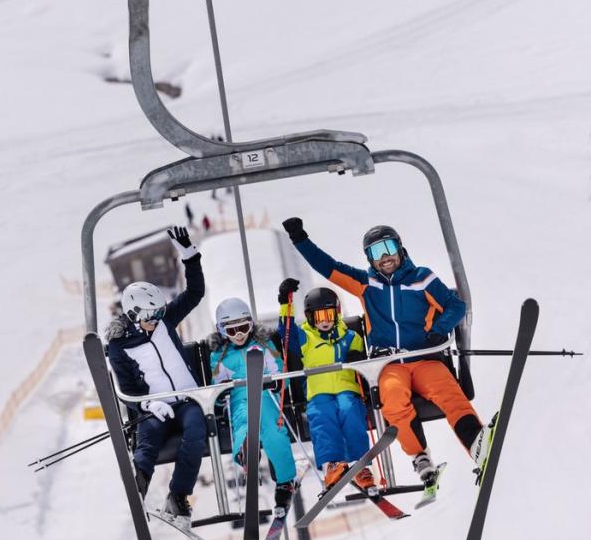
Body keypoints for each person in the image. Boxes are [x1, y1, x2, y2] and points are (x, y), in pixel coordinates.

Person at [281, 218, 493, 487]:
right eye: (375, 253)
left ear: (400, 248)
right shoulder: (367, 284)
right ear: (369, 259)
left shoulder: (422, 279)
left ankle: (478, 446)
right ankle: (421, 459)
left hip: (426, 358)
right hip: (390, 363)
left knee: (450, 394)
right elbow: (329, 267)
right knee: (392, 402)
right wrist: (300, 239)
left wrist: (440, 329)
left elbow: (456, 306)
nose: (384, 258)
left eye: (388, 248)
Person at [106, 226, 207, 520]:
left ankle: (177, 495)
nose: (157, 319)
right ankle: (139, 487)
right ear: (134, 315)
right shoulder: (120, 346)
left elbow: (195, 293)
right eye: (151, 316)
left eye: (160, 312)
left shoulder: (165, 323)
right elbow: (126, 390)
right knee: (147, 436)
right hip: (156, 407)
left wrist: (189, 256)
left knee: (197, 430)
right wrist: (149, 404)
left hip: (187, 400)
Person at [278, 279, 376, 492]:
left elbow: (363, 363)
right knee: (323, 417)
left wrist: (356, 357)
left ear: (336, 314)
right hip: (318, 390)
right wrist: (285, 302)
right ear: (311, 317)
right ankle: (331, 465)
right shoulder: (305, 337)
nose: (324, 321)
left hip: (346, 387)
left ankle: (360, 465)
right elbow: (285, 334)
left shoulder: (351, 337)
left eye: (328, 315)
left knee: (350, 411)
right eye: (318, 316)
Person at [208, 297, 298, 515]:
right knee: (243, 424)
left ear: (251, 324)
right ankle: (245, 452)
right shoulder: (219, 355)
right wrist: (222, 392)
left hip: (264, 392)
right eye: (232, 331)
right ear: (221, 331)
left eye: (243, 328)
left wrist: (276, 382)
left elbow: (279, 370)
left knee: (274, 433)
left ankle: (285, 482)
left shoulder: (264, 344)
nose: (239, 334)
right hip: (238, 398)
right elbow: (215, 386)